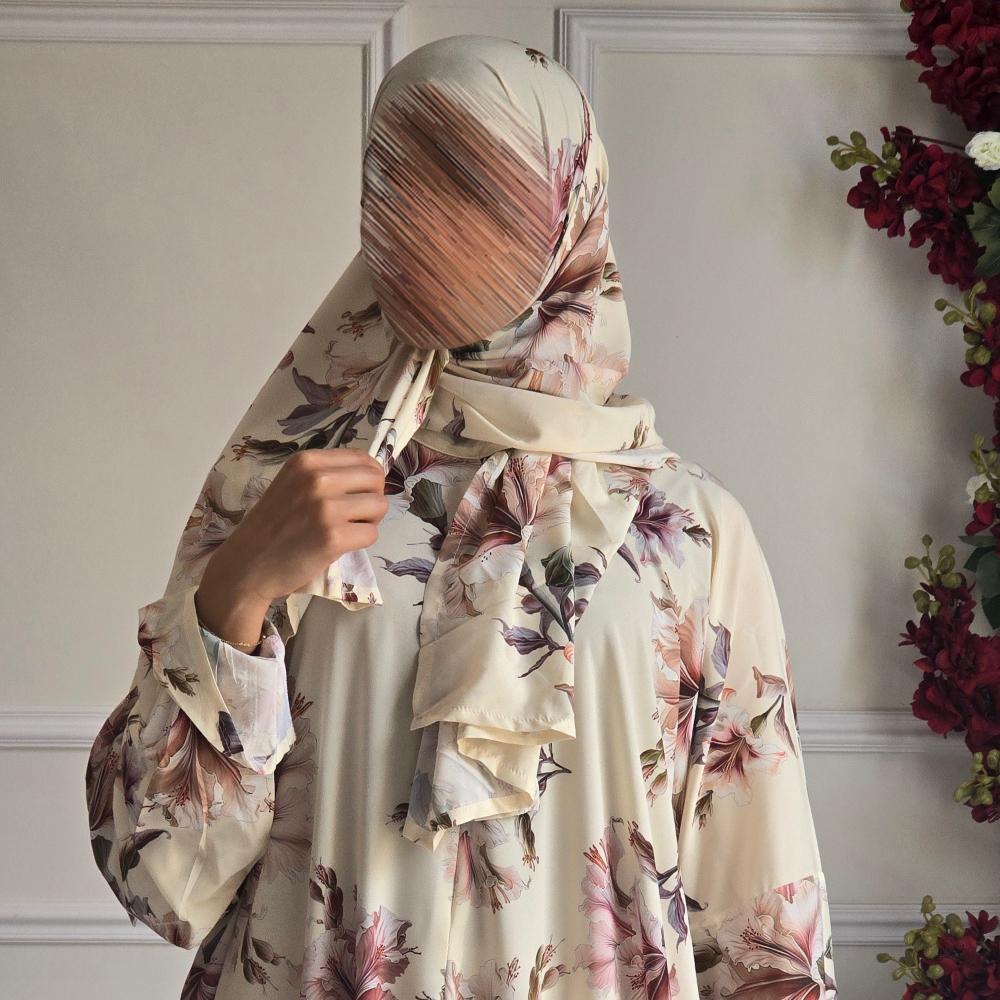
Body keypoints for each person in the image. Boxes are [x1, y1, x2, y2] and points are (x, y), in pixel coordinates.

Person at [84, 33, 839, 999]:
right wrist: (236, 592)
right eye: (395, 181)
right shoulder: (292, 489)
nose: (423, 220)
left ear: (569, 209)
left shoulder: (690, 536)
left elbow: (760, 923)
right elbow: (162, 881)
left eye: (475, 186)